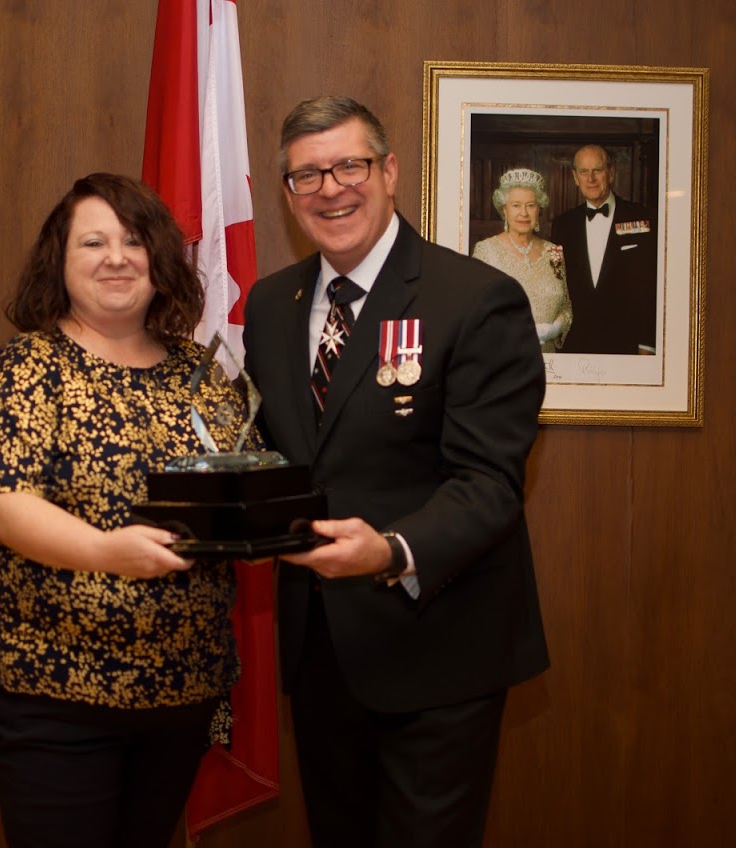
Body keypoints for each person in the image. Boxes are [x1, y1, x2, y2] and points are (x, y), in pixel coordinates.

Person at [242, 96, 549, 848]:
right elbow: (272, 458)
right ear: (288, 193)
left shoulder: (474, 298)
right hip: (320, 653)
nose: (331, 189)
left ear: (389, 172)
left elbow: (489, 483)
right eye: (308, 175)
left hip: (438, 646)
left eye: (350, 166)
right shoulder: (271, 306)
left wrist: (389, 550)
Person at [0, 173, 249, 848]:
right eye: (93, 242)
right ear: (59, 262)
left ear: (160, 259)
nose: (116, 257)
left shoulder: (200, 373)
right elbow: (3, 504)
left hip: (183, 690)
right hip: (53, 695)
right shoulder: (24, 370)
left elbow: (242, 485)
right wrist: (108, 552)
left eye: (134, 240)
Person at [549, 143, 658, 355]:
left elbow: (651, 285)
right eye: (584, 172)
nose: (590, 179)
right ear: (575, 177)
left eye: (597, 170)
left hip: (626, 344)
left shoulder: (641, 217)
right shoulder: (563, 224)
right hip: (576, 344)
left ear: (611, 173)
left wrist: (647, 344)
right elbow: (558, 285)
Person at [471, 167, 574, 353]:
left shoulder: (554, 252)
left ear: (539, 209)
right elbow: (476, 312)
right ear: (505, 210)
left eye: (531, 205)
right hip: (503, 358)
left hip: (548, 361)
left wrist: (554, 329)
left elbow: (565, 308)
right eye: (516, 205)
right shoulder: (486, 251)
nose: (524, 213)